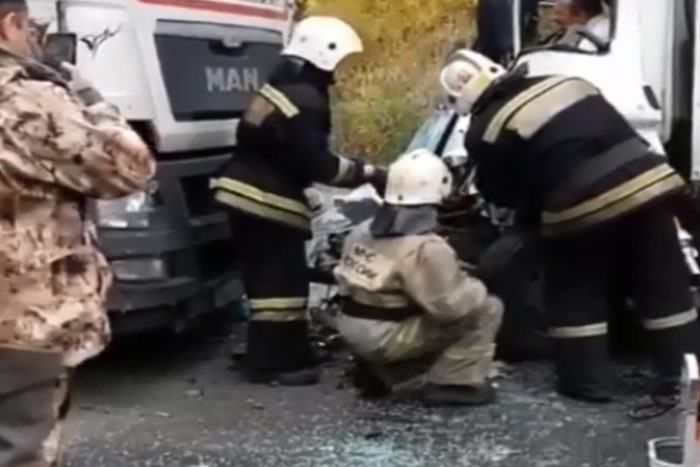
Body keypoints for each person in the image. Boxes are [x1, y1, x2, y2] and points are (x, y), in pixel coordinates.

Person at [439, 49, 699, 405]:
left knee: (576, 294)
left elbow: (502, 192)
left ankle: (589, 383)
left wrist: (532, 218)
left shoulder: (485, 129)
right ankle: (683, 381)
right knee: (665, 286)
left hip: (582, 207)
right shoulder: (568, 82)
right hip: (651, 188)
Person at [0, 0, 155, 464]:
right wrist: (87, 94)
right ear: (9, 24)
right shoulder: (30, 99)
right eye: (32, 28)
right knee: (21, 446)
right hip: (21, 320)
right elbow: (129, 168)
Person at [210, 16, 387, 387]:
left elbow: (280, 149)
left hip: (243, 191)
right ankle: (279, 363)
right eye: (336, 64)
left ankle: (266, 354)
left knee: (264, 283)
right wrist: (369, 172)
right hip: (264, 199)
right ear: (323, 56)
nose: (336, 75)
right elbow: (318, 164)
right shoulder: (306, 100)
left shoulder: (280, 88)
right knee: (282, 288)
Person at [333, 149, 503, 407]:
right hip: (383, 337)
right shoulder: (427, 248)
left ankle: (384, 370)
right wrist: (475, 284)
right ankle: (456, 383)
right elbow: (451, 308)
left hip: (351, 326)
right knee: (488, 308)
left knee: (404, 304)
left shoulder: (362, 231)